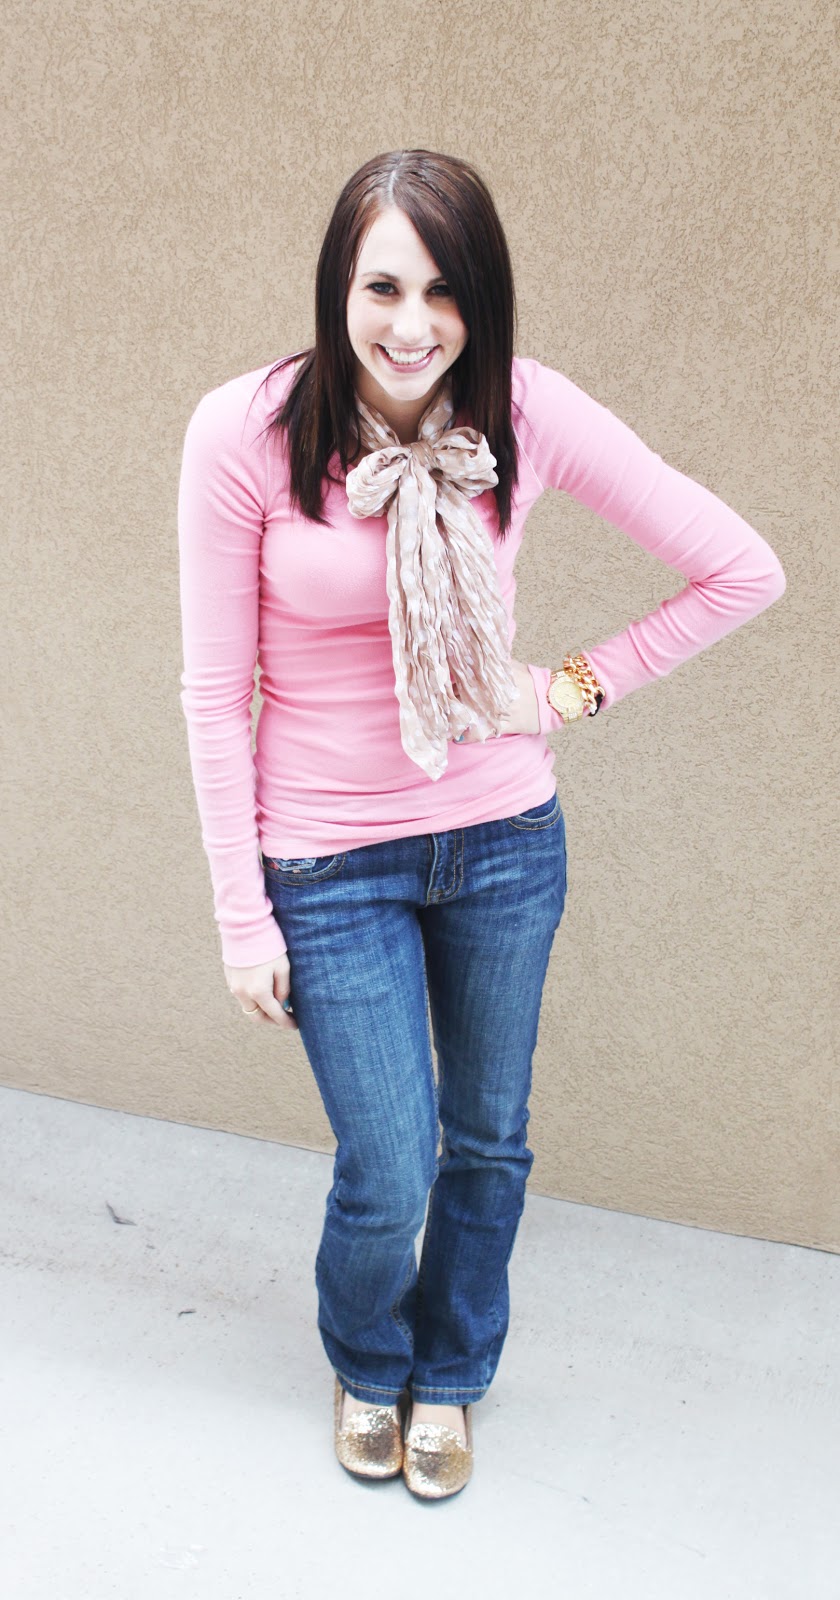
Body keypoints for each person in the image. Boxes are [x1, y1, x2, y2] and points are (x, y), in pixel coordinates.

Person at [176, 149, 786, 1500]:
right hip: (328, 858)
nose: (412, 324)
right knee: (389, 1166)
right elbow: (217, 696)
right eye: (383, 286)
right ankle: (367, 1355)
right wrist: (239, 912)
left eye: (445, 291)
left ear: (483, 299)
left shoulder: (522, 412)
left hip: (502, 843)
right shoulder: (248, 433)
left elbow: (743, 568)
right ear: (338, 286)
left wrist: (562, 690)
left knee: (491, 1140)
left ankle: (451, 1371)